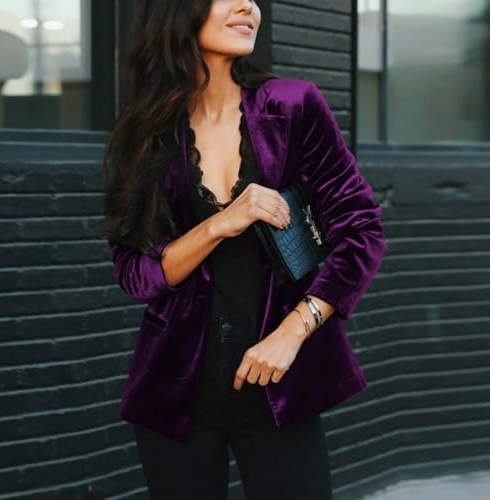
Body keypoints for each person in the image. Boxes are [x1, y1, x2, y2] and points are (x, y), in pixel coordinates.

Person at [101, 1, 387, 499]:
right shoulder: (144, 131)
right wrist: (220, 224)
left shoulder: (293, 106)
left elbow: (362, 230)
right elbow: (135, 273)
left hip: (277, 382)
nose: (247, 6)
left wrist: (292, 333)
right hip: (177, 390)